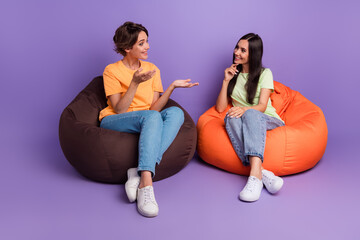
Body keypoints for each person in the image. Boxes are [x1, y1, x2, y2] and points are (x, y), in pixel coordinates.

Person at [99, 22, 198, 217]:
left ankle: (137, 170)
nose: (148, 47)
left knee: (176, 113)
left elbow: (154, 109)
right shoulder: (111, 71)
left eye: (147, 41)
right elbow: (119, 110)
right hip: (115, 120)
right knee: (152, 117)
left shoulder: (152, 68)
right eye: (142, 43)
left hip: (147, 118)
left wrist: (171, 88)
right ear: (128, 48)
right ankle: (146, 184)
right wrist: (134, 83)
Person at [215, 33, 284, 202]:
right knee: (229, 118)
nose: (237, 52)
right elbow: (220, 108)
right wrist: (225, 81)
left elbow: (261, 106)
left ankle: (253, 178)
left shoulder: (265, 73)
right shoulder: (233, 73)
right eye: (237, 47)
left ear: (253, 54)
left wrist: (245, 110)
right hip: (245, 119)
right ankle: (261, 173)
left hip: (268, 119)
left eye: (243, 50)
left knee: (252, 112)